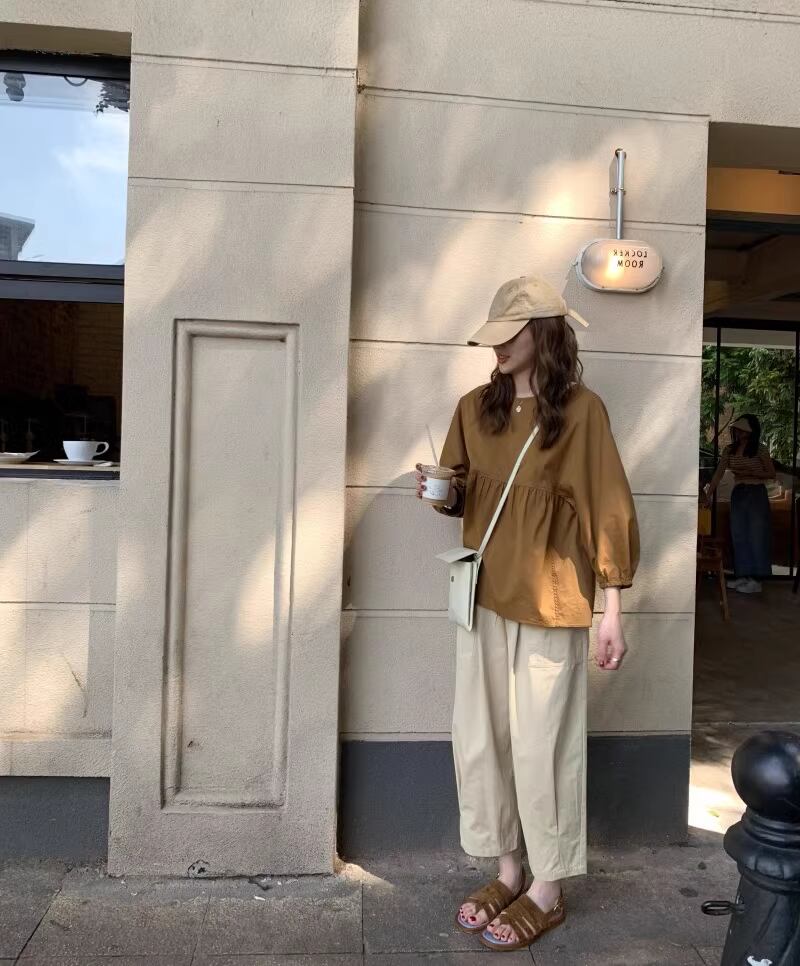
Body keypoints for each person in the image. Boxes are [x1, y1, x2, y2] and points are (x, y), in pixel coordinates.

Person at [414, 275, 640, 952]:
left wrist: (612, 609)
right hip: (483, 599)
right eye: (494, 337)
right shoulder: (472, 408)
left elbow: (607, 507)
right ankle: (508, 870)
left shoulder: (582, 414)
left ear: (543, 333)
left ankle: (547, 886)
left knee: (545, 747)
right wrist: (439, 492)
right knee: (482, 741)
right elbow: (459, 496)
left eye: (509, 334)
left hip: (551, 601)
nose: (498, 347)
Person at [703, 414, 776, 594]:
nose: (739, 432)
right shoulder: (729, 450)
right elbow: (718, 473)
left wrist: (751, 473)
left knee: (757, 535)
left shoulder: (760, 449)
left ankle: (756, 580)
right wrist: (708, 495)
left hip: (756, 492)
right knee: (739, 535)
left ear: (751, 431)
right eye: (737, 428)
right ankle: (743, 575)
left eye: (743, 429)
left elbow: (771, 473)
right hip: (739, 493)